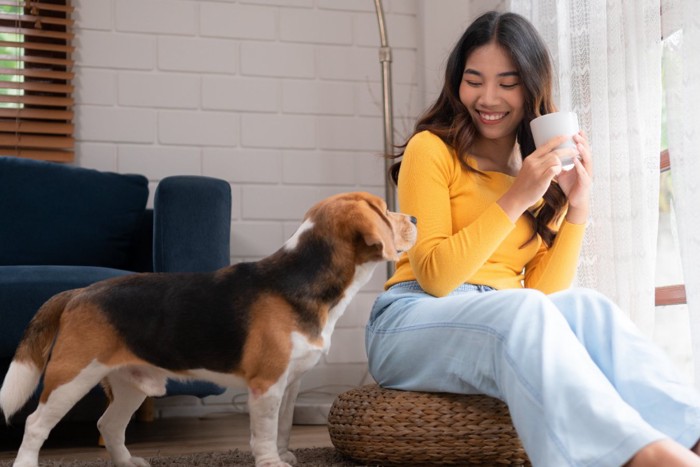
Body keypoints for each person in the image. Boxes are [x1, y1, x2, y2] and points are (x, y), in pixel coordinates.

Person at [364, 10, 700, 467]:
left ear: (530, 87)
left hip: (504, 318)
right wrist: (518, 196)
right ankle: (640, 457)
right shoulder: (432, 149)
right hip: (410, 320)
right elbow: (436, 277)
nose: (487, 97)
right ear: (456, 83)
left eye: (507, 82)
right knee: (520, 308)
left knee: (589, 307)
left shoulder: (537, 175)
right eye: (474, 79)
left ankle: (691, 436)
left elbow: (545, 298)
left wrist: (577, 207)